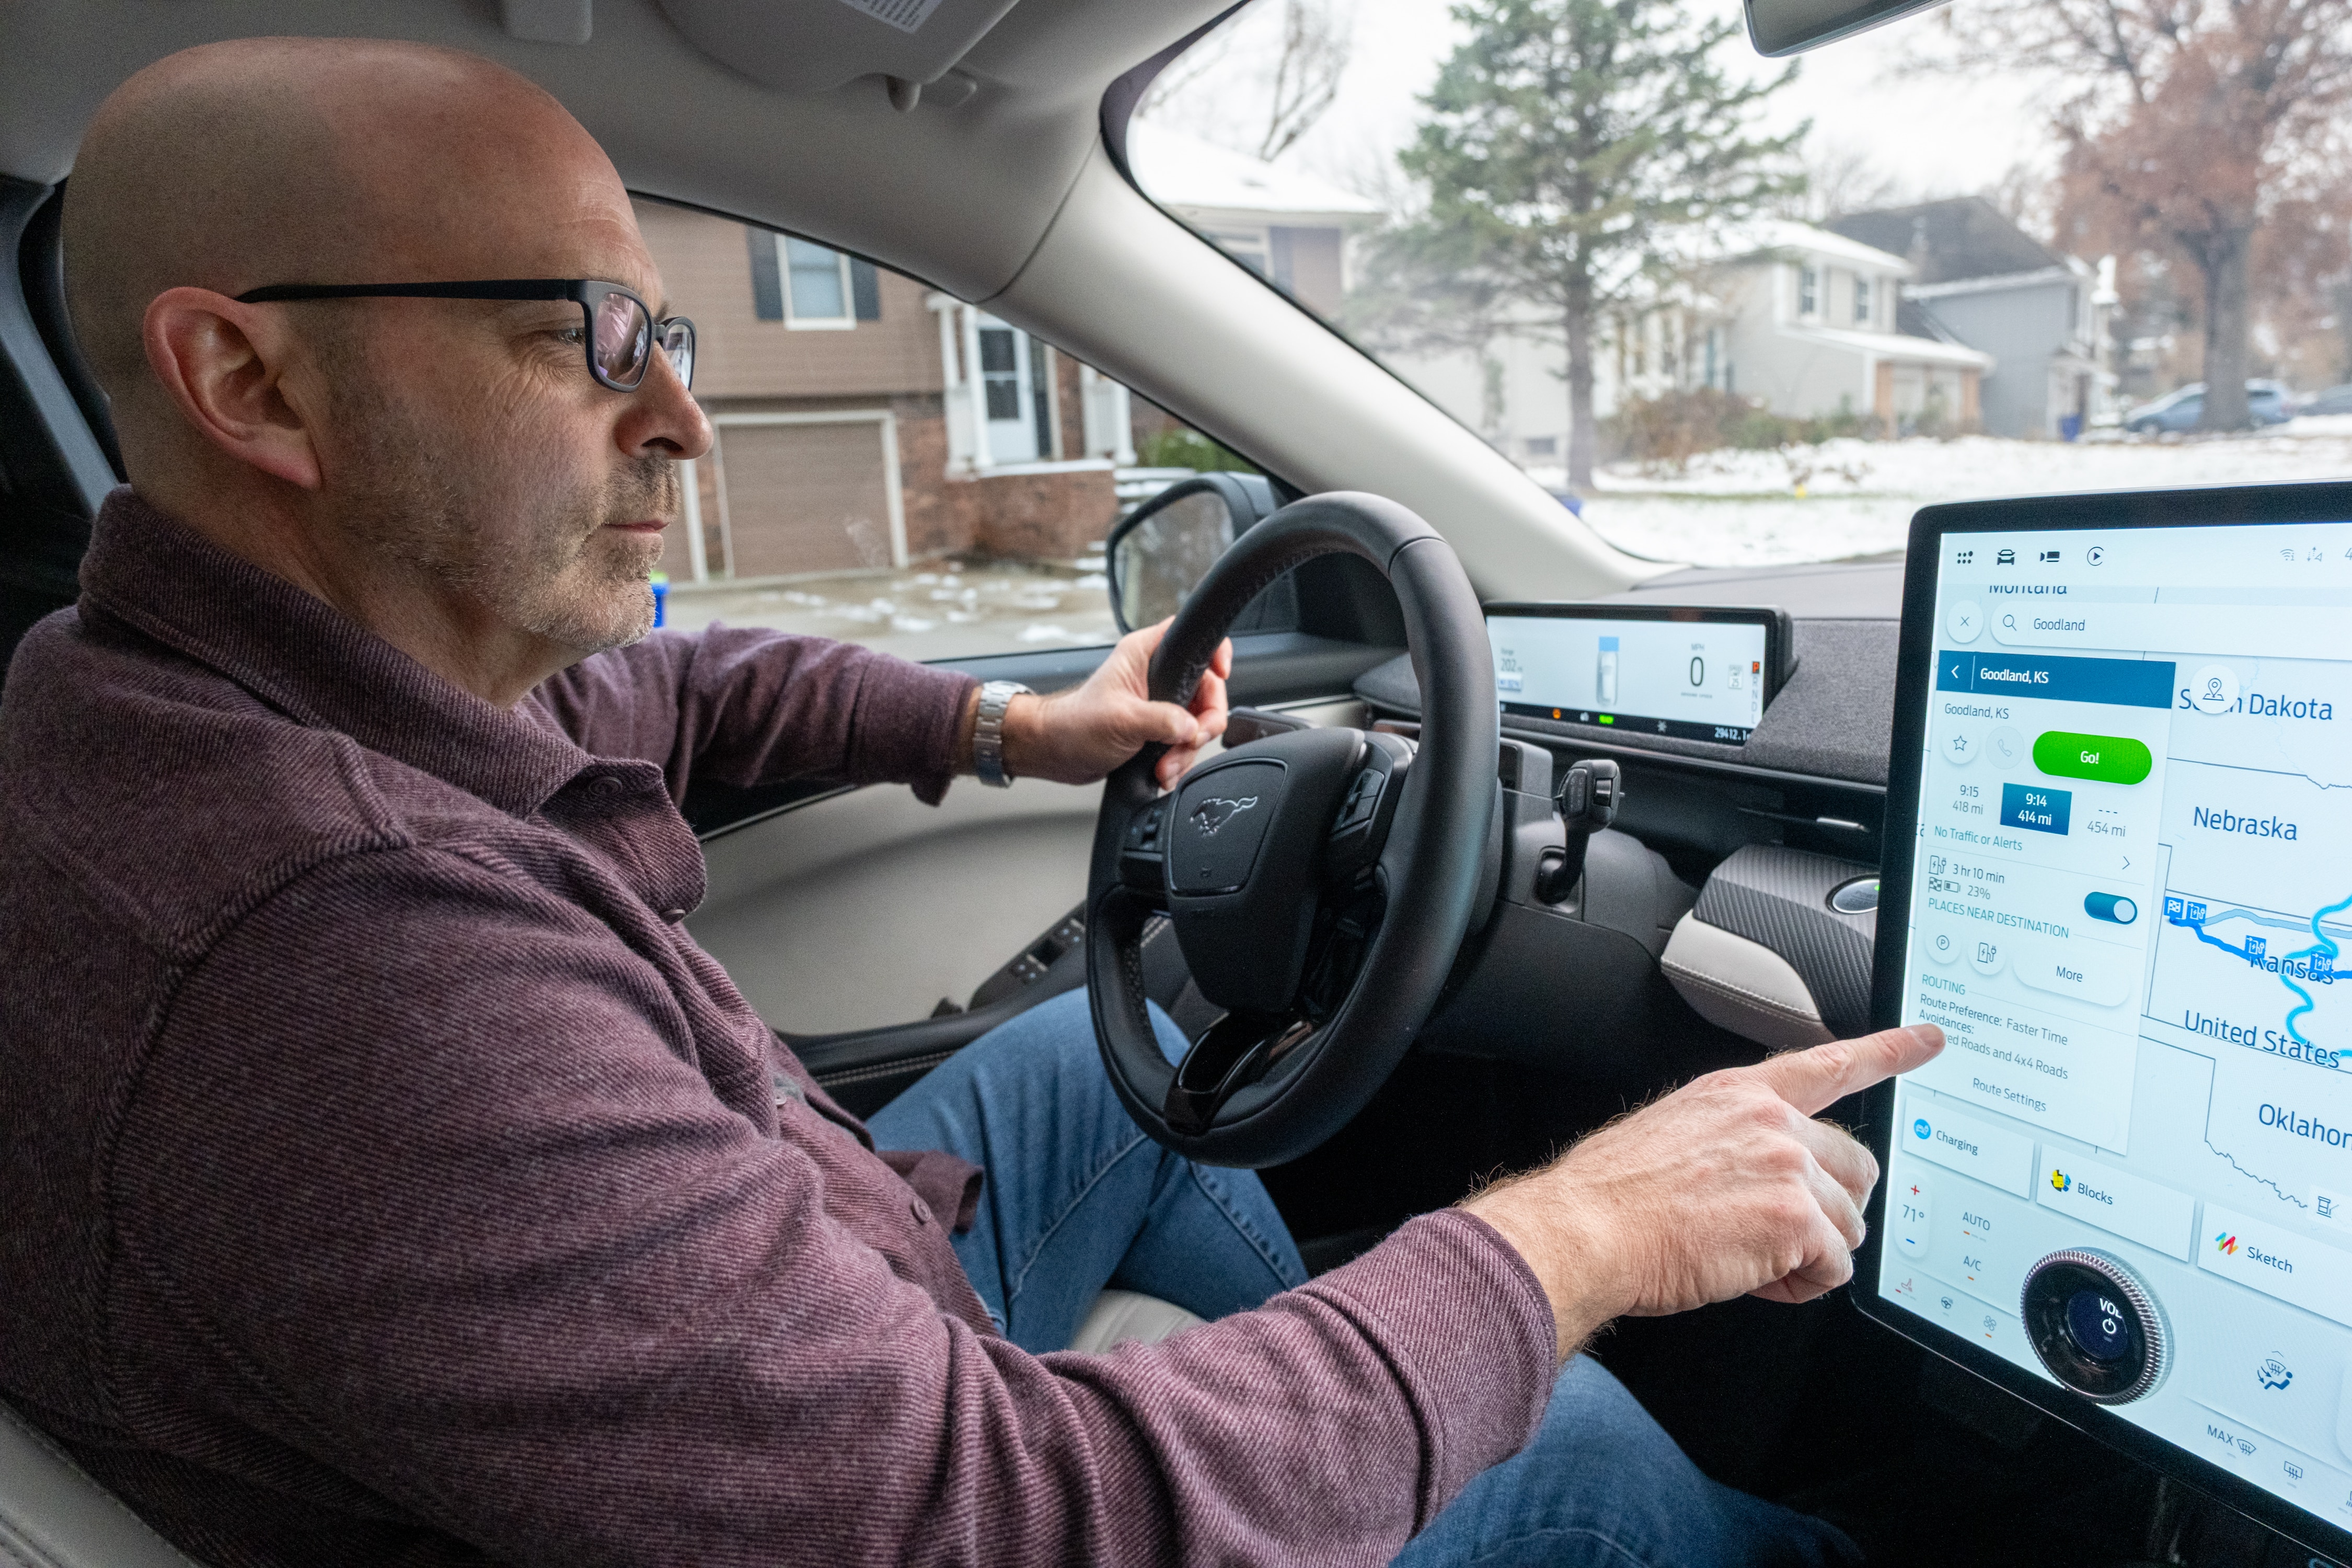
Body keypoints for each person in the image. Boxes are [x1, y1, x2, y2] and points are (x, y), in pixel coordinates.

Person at [0, 37, 1944, 1568]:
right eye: (579, 335)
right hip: (926, 1501)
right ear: (251, 384)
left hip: (786, 1353)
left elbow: (676, 686)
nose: (674, 414)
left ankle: (1279, 1421)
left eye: (660, 337)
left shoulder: (178, 695)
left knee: (1127, 1062)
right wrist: (1577, 1238)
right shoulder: (339, 958)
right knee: (1583, 1444)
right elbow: (1002, 1523)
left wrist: (1021, 731)